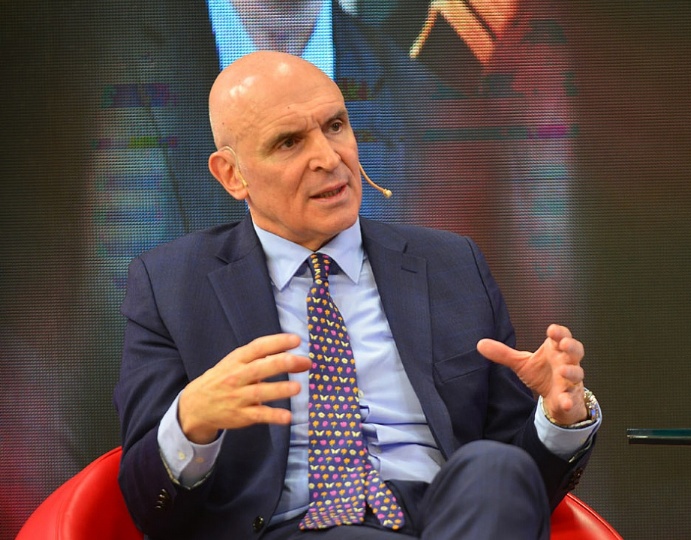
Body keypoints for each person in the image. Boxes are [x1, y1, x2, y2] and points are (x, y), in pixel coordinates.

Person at [114, 50, 600, 540]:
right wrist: (191, 421)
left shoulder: (452, 264)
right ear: (231, 175)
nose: (329, 159)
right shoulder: (171, 284)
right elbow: (146, 506)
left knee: (495, 468)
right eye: (289, 142)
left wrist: (558, 420)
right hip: (295, 527)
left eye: (335, 126)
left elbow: (520, 498)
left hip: (449, 519)